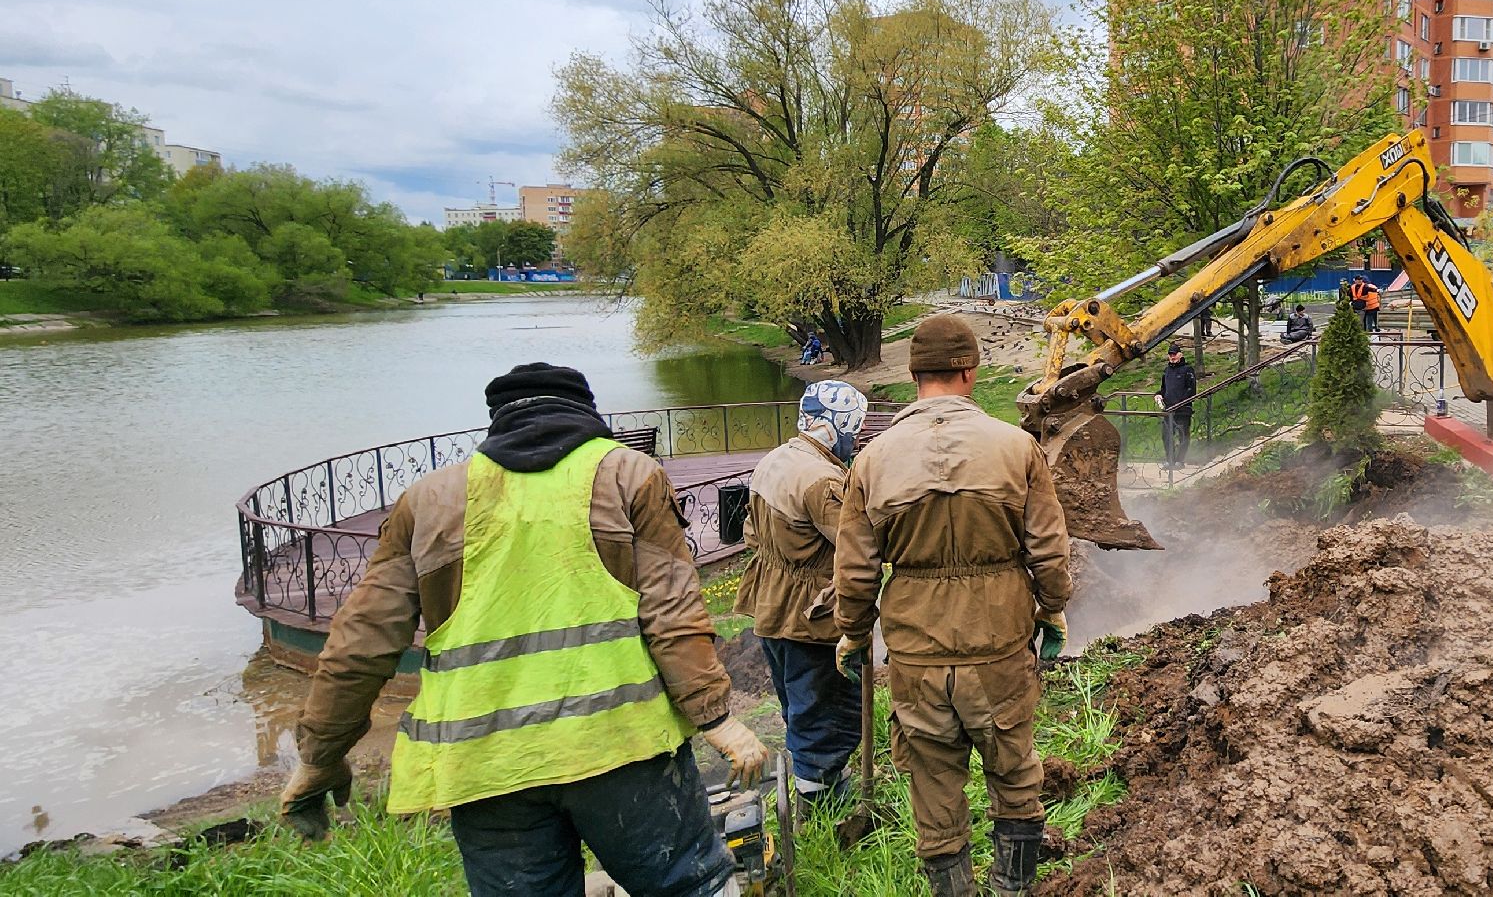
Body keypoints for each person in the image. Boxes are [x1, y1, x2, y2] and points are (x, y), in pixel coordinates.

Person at [282, 363, 765, 896]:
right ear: (588, 412)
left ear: (497, 422)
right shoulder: (626, 474)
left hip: (487, 766)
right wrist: (716, 719)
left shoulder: (428, 500)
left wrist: (319, 757)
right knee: (689, 886)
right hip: (621, 748)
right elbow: (672, 614)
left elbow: (359, 645)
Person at [833, 315, 1072, 897]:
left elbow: (857, 568)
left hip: (916, 650)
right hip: (999, 645)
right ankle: (1012, 888)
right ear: (970, 371)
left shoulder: (871, 460)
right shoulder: (1017, 448)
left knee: (933, 782)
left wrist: (853, 633)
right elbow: (1048, 548)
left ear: (915, 374)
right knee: (1014, 769)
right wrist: (1052, 609)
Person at [735, 379, 869, 814]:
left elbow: (751, 534)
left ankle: (817, 789)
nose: (856, 440)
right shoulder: (822, 480)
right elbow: (854, 544)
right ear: (836, 429)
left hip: (770, 605)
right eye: (854, 431)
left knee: (799, 706)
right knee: (826, 715)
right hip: (811, 618)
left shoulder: (774, 460)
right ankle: (824, 812)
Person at [1159, 341, 1198, 467]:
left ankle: (1180, 460)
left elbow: (1191, 389)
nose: (1172, 356)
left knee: (1183, 435)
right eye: (1170, 354)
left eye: (1174, 354)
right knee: (1166, 436)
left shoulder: (1188, 370)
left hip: (1183, 409)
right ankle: (1170, 460)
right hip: (1168, 409)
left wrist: (1181, 402)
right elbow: (1164, 389)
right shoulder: (1167, 371)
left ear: (1180, 355)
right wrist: (1158, 394)